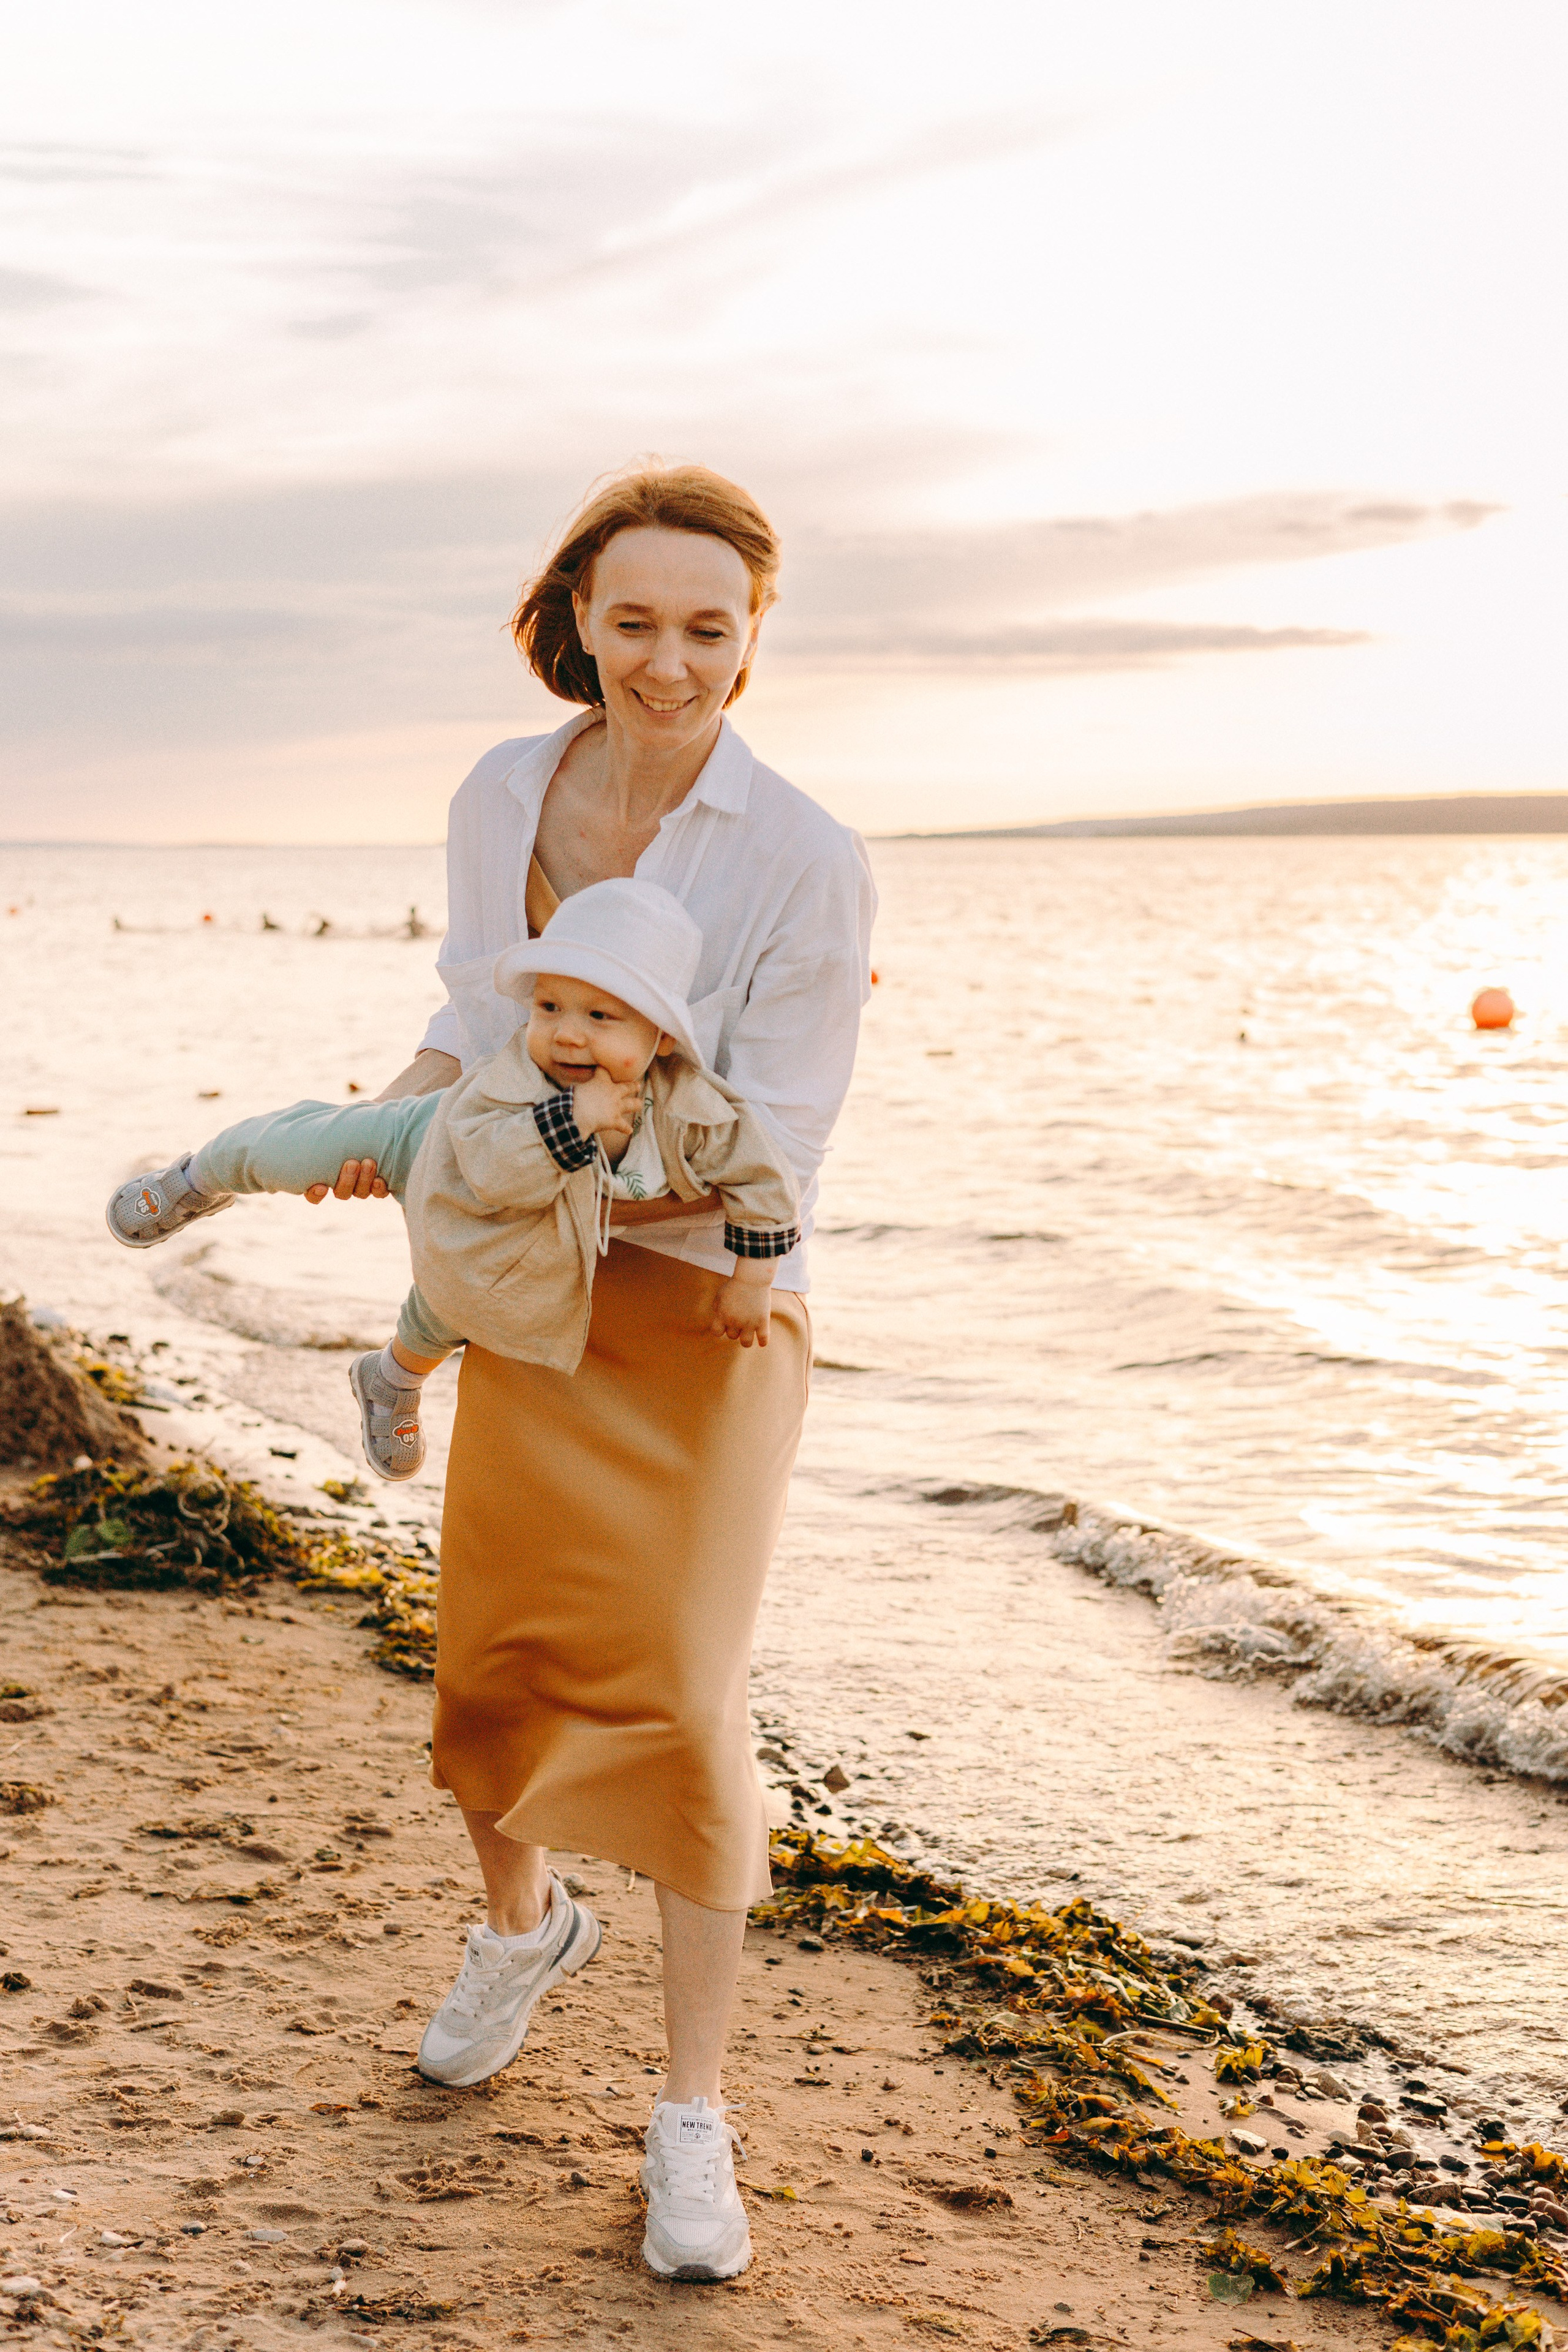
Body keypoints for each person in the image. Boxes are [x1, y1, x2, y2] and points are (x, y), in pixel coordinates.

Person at [260, 462, 873, 2284]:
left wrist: (521, 1146)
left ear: (753, 641)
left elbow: (781, 1134)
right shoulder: (501, 791)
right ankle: (520, 1928)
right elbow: (471, 1019)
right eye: (635, 621)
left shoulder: (800, 855)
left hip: (701, 1320)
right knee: (495, 1669)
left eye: (707, 627)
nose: (668, 660)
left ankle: (690, 2113)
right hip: (532, 1299)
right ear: (578, 622)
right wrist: (399, 1127)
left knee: (679, 1697)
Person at [104, 878, 801, 1481]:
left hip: (503, 1230)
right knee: (303, 1148)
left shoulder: (695, 1111)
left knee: (469, 1298)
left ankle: (389, 1380)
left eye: (600, 1016)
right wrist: (573, 1117)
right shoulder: (510, 1080)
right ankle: (201, 1175)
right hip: (431, 1143)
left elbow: (763, 1178)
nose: (567, 1034)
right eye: (549, 1008)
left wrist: (752, 1278)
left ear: (662, 1041)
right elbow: (495, 1173)